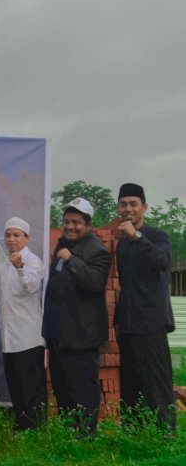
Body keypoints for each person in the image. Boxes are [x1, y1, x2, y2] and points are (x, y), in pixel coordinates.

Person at [42, 198, 111, 437]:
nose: (70, 226)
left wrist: (70, 259)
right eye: (67, 221)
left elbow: (94, 283)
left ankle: (85, 436)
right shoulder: (63, 244)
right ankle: (70, 433)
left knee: (82, 389)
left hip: (82, 335)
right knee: (62, 387)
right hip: (59, 333)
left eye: (76, 222)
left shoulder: (97, 250)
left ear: (89, 225)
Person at [115, 183, 176, 433]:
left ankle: (166, 435)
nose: (128, 209)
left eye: (133, 204)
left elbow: (162, 262)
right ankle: (133, 433)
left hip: (151, 321)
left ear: (144, 207)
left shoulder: (157, 236)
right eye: (123, 204)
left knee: (156, 381)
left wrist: (136, 235)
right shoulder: (122, 244)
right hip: (128, 323)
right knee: (130, 383)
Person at [0, 217, 46, 431]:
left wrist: (20, 267)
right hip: (9, 334)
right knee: (15, 383)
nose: (11, 239)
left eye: (17, 235)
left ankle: (35, 427)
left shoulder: (32, 261)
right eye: (8, 235)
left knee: (30, 384)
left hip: (27, 335)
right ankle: (22, 423)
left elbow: (31, 287)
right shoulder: (5, 263)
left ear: (27, 238)